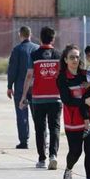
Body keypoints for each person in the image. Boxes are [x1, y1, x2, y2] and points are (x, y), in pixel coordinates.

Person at [57, 44, 90, 179]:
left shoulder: (85, 74)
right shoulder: (62, 78)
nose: (75, 60)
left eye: (77, 56)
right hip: (73, 120)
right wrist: (84, 101)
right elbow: (66, 100)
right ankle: (69, 168)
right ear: (65, 60)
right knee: (75, 151)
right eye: (71, 57)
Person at [19, 27, 61, 170]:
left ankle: (42, 159)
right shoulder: (58, 55)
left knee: (40, 128)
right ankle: (53, 155)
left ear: (40, 39)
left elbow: (29, 76)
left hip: (38, 98)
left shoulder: (35, 55)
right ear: (53, 39)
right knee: (54, 127)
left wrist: (23, 96)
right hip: (56, 98)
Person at [7, 26, 39, 149]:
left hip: (21, 88)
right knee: (38, 115)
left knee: (22, 115)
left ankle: (24, 141)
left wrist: (10, 86)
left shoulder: (17, 50)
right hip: (36, 88)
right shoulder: (37, 49)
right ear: (30, 35)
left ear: (20, 34)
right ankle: (42, 139)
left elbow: (12, 70)